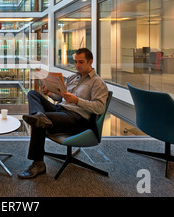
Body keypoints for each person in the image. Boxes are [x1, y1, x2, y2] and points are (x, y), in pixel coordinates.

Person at [18, 48, 108, 179]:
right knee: (33, 94)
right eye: (76, 62)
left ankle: (38, 163)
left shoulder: (98, 83)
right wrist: (50, 93)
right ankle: (39, 115)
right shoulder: (73, 77)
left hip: (77, 118)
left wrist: (77, 101)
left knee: (39, 122)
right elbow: (61, 97)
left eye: (81, 62)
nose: (77, 65)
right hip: (60, 109)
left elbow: (100, 107)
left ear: (90, 61)